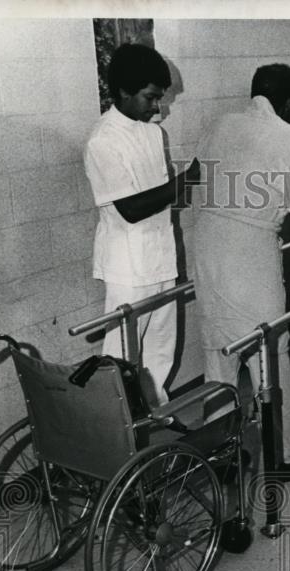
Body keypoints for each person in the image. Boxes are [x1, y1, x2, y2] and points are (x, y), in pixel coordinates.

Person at [192, 63, 290, 479]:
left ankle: (222, 457)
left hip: (206, 246)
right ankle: (287, 454)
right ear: (288, 102)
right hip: (249, 253)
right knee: (270, 353)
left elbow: (198, 179)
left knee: (219, 355)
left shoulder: (218, 125)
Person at [83, 43, 201, 411]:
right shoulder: (103, 140)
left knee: (159, 353)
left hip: (161, 257)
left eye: (161, 98)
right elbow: (131, 209)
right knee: (121, 360)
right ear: (122, 92)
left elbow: (161, 198)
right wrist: (188, 179)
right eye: (151, 98)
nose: (158, 107)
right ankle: (116, 436)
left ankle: (156, 421)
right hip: (129, 268)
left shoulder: (153, 133)